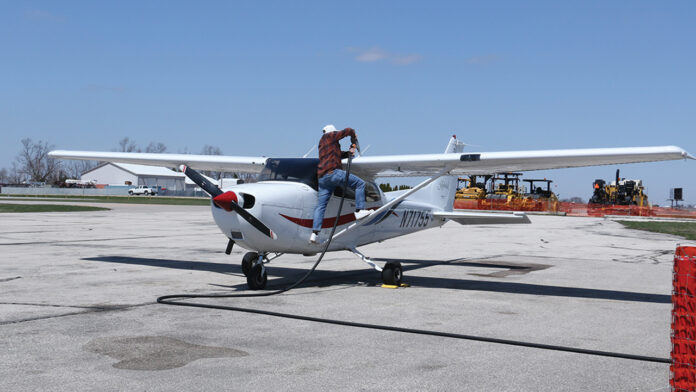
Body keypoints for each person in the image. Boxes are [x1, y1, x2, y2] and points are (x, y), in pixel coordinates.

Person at [310, 124, 371, 244]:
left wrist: (349, 152)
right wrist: (353, 136)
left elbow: (336, 154)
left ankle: (314, 234)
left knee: (321, 206)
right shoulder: (330, 136)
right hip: (333, 173)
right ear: (332, 133)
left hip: (322, 178)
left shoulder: (322, 144)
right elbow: (348, 130)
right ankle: (359, 210)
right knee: (360, 184)